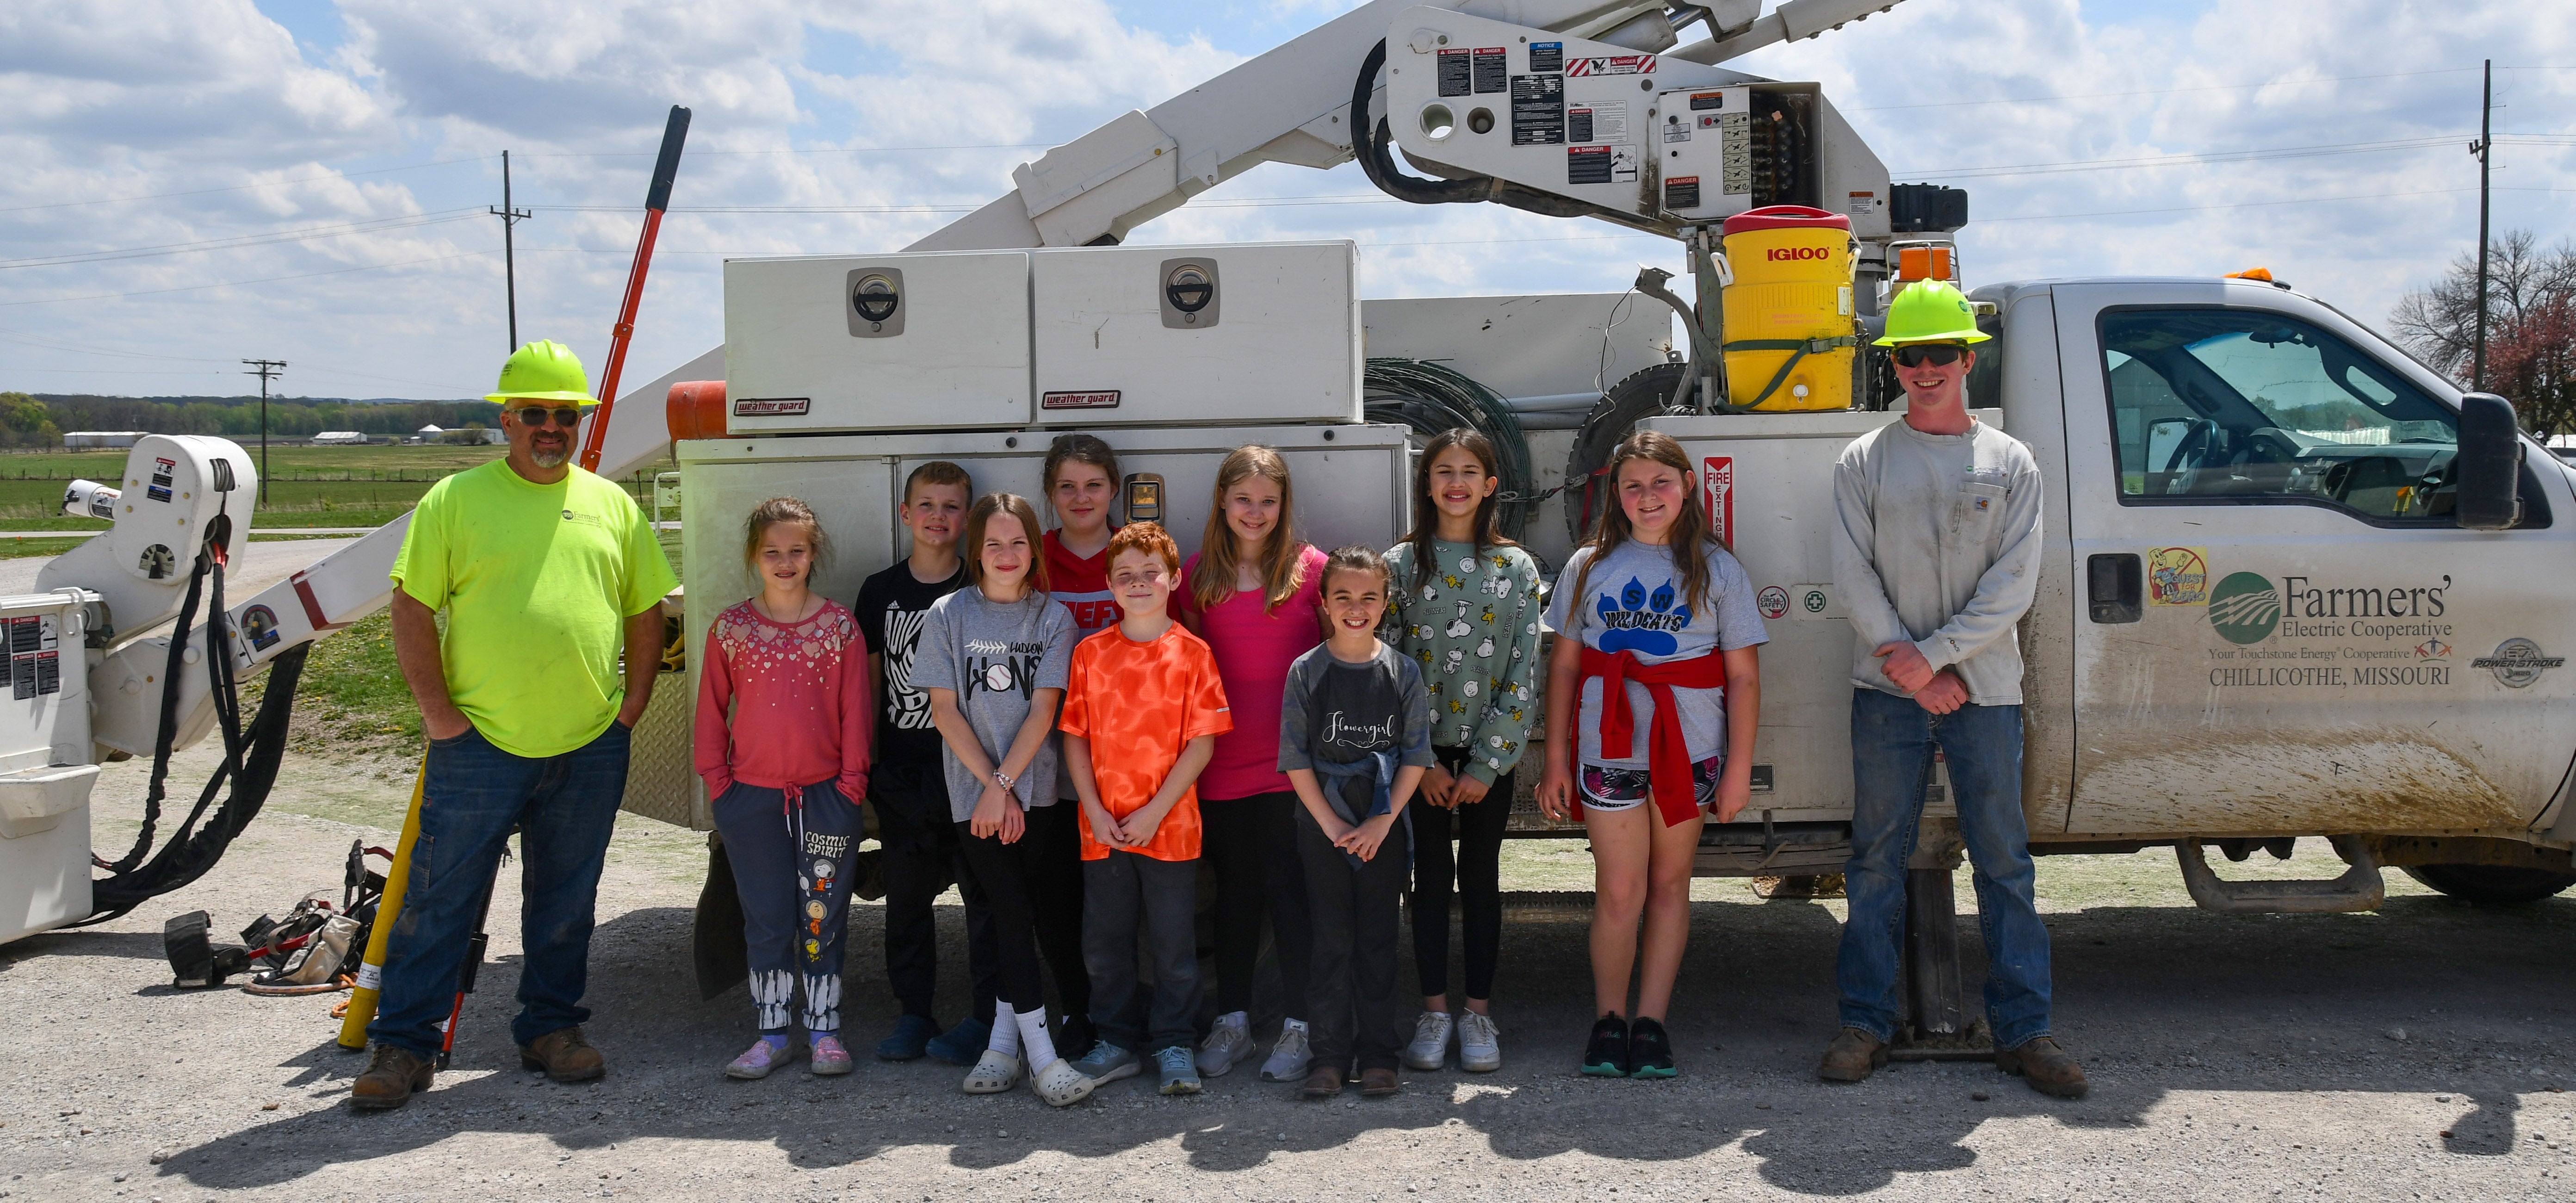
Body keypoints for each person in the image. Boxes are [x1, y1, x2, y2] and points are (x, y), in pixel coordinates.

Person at [353, 340, 677, 1110]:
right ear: (507, 418)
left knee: (566, 901)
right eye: (534, 413)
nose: (549, 428)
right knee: (441, 899)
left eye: (564, 415)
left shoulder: (610, 505)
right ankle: (405, 1047)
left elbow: (646, 609)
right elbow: (410, 608)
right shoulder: (455, 502)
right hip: (479, 744)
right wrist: (439, 714)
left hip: (588, 741)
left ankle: (550, 1029)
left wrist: (630, 707)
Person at [1822, 279, 2082, 1098]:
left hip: (1981, 691)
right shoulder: (1861, 461)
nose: (1925, 368)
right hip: (1886, 687)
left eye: (1940, 353)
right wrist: (1908, 663)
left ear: (1968, 358)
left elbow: (2014, 583)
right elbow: (1849, 574)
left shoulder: (2012, 464)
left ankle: (2025, 1031)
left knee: (2004, 864)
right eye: (1909, 355)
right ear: (1891, 365)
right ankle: (1866, 1022)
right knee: (1872, 862)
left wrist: (1930, 659)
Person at [1538, 430, 1765, 1081]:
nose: (1647, 497)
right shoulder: (1589, 567)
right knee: (1618, 890)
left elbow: (1744, 678)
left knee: (1669, 885)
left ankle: (1652, 1025)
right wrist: (1555, 759)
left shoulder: (1718, 568)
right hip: (1608, 750)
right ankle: (1609, 1021)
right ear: (1616, 494)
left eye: (1660, 483)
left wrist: (1739, 770)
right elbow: (1564, 668)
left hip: (1689, 753)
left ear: (1687, 486)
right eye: (1632, 485)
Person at [912, 492, 1094, 1107]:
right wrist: (991, 790)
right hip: (977, 802)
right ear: (976, 550)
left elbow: (1046, 709)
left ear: (1033, 549)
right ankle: (1043, 1059)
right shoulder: (946, 615)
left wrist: (1008, 786)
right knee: (1008, 914)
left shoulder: (1053, 619)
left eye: (1018, 542)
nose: (1006, 554)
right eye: (993, 543)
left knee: (1046, 915)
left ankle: (1001, 1045)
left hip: (1038, 795)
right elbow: (943, 711)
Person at [693, 498, 872, 1079]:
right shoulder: (733, 628)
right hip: (752, 798)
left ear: (813, 553)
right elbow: (711, 712)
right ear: (755, 556)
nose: (785, 561)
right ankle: (772, 1033)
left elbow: (855, 710)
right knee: (767, 917)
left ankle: (825, 1031)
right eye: (772, 551)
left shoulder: (839, 627)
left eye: (796, 550)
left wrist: (851, 785)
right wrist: (721, 783)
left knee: (821, 916)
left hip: (825, 797)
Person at [1381, 429, 1540, 1074]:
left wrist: (1483, 767)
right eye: (1443, 470)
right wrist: (1416, 765)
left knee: (1479, 879)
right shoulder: (1399, 566)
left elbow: (1523, 673)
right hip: (1417, 759)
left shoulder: (1516, 570)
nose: (1456, 482)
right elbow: (1384, 668)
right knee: (1427, 886)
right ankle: (1434, 1011)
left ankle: (1478, 1013)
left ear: (1490, 484)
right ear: (1426, 483)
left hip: (1485, 758)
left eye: (1469, 471)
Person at [1059, 522, 1231, 1096]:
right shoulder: (1091, 654)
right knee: (1104, 942)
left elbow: (1201, 742)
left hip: (1171, 827)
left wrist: (1157, 810)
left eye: (1150, 572)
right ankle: (1115, 1041)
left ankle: (1175, 1041)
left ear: (1174, 578)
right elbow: (1075, 738)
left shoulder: (1193, 654)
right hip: (1101, 828)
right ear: (1109, 584)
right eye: (1125, 575)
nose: (1138, 583)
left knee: (1173, 943)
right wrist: (1095, 809)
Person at [1176, 445, 1330, 1083]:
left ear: (1284, 505)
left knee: (1293, 897)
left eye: (1269, 501)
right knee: (1236, 896)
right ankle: (1233, 1021)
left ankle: (1300, 1025)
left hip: (1295, 767)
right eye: (1244, 499)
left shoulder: (1313, 571)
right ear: (1222, 501)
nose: (1256, 512)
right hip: (1223, 765)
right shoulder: (1194, 577)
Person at [855, 462, 1005, 1066]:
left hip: (972, 774)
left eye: (952, 507)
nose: (938, 517)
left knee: (984, 901)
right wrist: (866, 768)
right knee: (909, 901)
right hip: (904, 776)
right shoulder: (880, 592)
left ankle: (986, 1018)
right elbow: (867, 688)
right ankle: (913, 1013)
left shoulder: (984, 587)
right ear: (905, 514)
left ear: (967, 519)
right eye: (927, 505)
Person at [1279, 546, 1434, 1100]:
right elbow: (1295, 757)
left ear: (1386, 602)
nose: (1355, 607)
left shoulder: (1402, 672)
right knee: (1330, 938)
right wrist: (1328, 822)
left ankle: (1378, 1054)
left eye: (1369, 596)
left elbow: (1416, 754)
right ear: (1323, 602)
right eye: (1342, 596)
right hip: (1320, 822)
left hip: (1381, 824)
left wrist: (1380, 822)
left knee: (1376, 938)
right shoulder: (1307, 671)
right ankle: (1328, 1054)